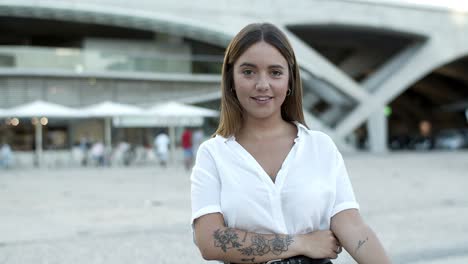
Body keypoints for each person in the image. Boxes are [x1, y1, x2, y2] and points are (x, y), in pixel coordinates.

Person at [190, 23, 392, 264]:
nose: (262, 84)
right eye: (248, 72)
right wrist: (302, 243)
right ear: (231, 79)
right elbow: (209, 240)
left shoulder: (320, 147)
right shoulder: (213, 154)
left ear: (290, 82)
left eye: (275, 72)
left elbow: (352, 227)